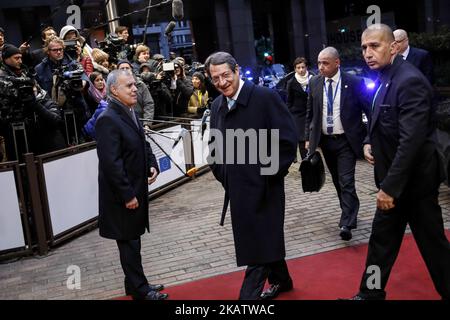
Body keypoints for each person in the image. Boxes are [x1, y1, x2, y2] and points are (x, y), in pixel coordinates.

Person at [346, 23, 450, 300]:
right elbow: (380, 116)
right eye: (364, 48)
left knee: (434, 247)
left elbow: (412, 142)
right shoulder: (385, 77)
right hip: (393, 183)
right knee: (381, 243)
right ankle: (369, 294)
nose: (368, 53)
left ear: (393, 47)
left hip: (414, 185)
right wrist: (369, 140)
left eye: (375, 46)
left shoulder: (410, 80)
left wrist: (389, 188)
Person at [205, 51, 298, 300]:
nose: (222, 82)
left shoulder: (265, 98)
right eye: (215, 78)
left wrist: (267, 175)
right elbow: (214, 150)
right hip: (237, 191)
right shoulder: (216, 105)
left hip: (266, 189)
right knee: (262, 238)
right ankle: (282, 280)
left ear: (236, 71)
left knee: (260, 246)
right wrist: (226, 176)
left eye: (226, 75)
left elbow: (287, 140)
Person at [95, 69, 168, 300]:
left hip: (134, 189)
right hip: (121, 196)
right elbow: (111, 164)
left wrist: (152, 163)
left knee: (132, 240)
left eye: (135, 84)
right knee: (129, 244)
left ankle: (135, 285)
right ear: (114, 90)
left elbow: (141, 141)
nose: (135, 89)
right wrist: (127, 195)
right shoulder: (107, 119)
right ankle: (141, 290)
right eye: (129, 86)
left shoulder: (128, 112)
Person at [305, 47, 370, 241]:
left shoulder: (354, 82)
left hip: (347, 141)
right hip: (326, 141)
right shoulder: (315, 82)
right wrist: (309, 138)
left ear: (337, 63)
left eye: (325, 63)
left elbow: (369, 111)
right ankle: (350, 211)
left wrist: (368, 139)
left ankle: (346, 223)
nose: (320, 67)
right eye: (318, 63)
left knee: (346, 180)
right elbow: (310, 113)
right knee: (337, 180)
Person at [286, 57, 313, 160]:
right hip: (298, 116)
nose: (301, 70)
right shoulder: (291, 83)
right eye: (298, 68)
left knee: (312, 139)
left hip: (311, 113)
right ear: (295, 69)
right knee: (302, 141)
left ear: (306, 67)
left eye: (303, 67)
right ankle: (305, 163)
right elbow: (289, 101)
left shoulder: (313, 79)